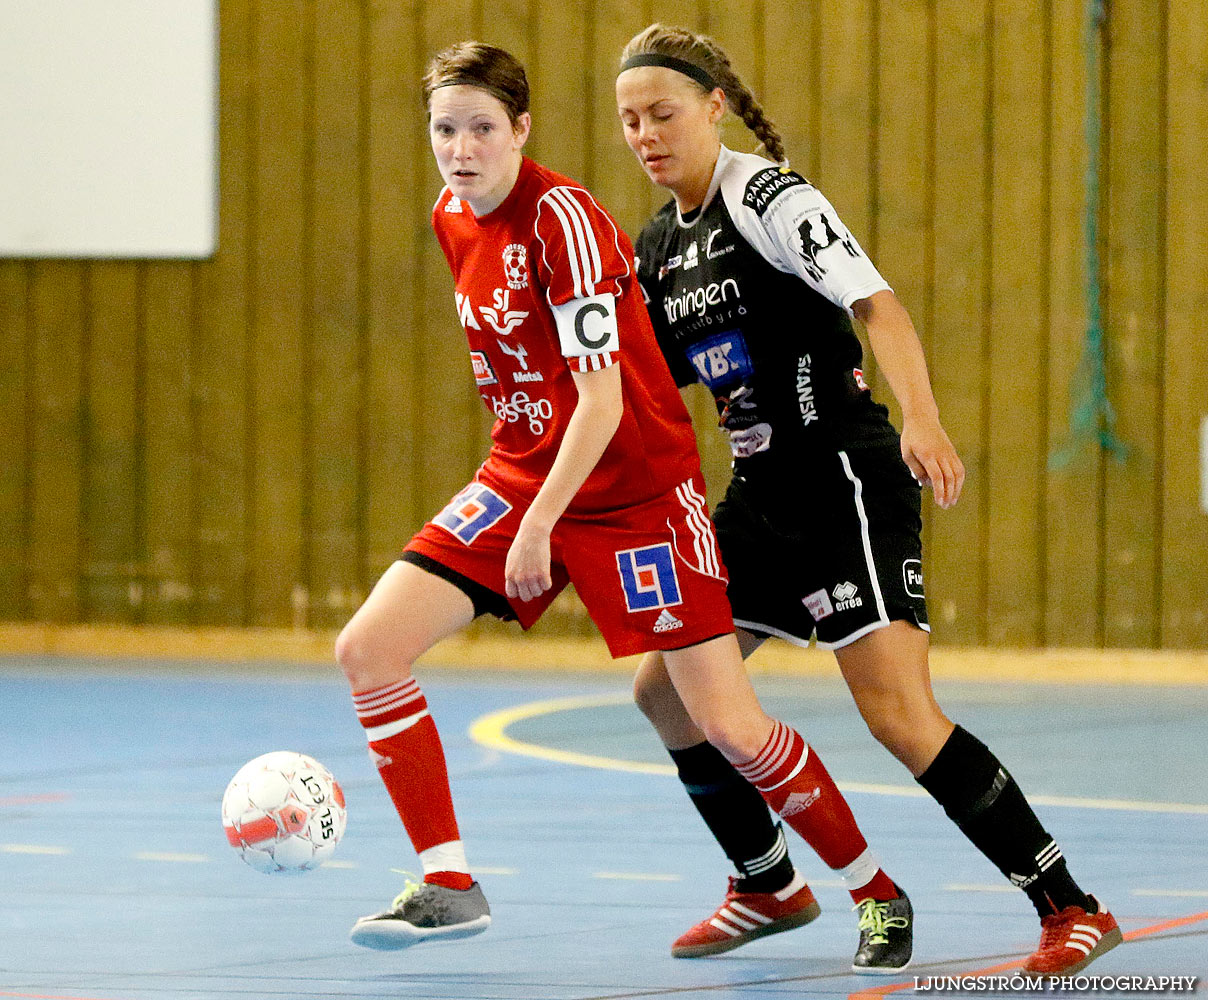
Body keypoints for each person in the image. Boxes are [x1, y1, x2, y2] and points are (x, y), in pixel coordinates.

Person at [335, 40, 912, 972]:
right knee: (367, 649)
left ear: (521, 130)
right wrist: (523, 505)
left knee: (729, 725)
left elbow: (601, 402)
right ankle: (448, 885)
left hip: (638, 492)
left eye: (482, 128)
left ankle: (874, 890)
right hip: (526, 473)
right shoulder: (451, 215)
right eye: (446, 129)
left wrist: (537, 530)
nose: (461, 148)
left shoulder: (561, 218)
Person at [615, 24, 1122, 977]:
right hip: (759, 497)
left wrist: (923, 422)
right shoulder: (658, 245)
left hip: (845, 479)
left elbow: (876, 304)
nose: (646, 134)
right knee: (663, 692)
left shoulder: (770, 197)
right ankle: (766, 883)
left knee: (897, 714)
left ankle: (1072, 905)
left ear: (714, 106)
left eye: (664, 113)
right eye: (630, 120)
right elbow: (649, 386)